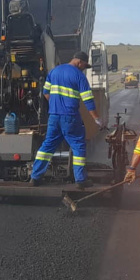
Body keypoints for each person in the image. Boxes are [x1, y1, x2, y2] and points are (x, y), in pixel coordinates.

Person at [31, 51, 102, 189]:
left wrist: (55, 104)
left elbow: (45, 93)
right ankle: (80, 180)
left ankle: (35, 177)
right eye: (84, 66)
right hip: (70, 117)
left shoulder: (54, 72)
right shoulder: (79, 76)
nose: (83, 68)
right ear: (79, 62)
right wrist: (97, 119)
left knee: (47, 147)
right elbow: (88, 100)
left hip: (54, 116)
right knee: (78, 146)